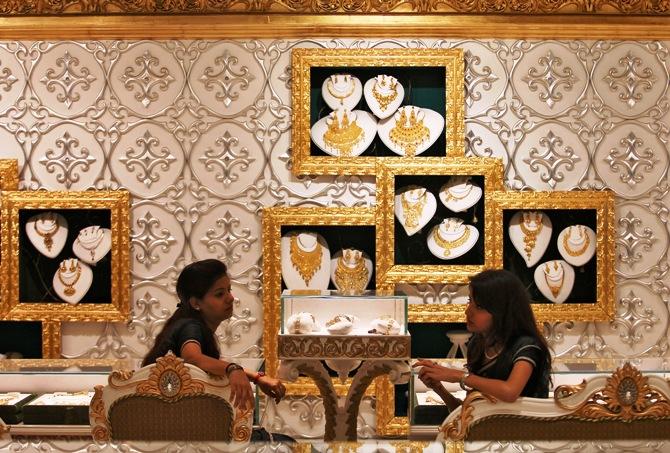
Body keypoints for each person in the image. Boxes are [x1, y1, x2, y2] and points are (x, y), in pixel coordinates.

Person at [143, 259, 286, 411]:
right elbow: (193, 358)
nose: (230, 298)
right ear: (195, 303)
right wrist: (233, 369)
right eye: (219, 294)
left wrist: (257, 377)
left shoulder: (189, 323)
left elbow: (207, 365)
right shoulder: (191, 326)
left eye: (229, 290)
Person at [413, 269, 551, 411]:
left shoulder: (527, 346)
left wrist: (458, 375)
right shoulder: (478, 345)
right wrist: (439, 388)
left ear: (502, 310)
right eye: (470, 301)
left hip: (525, 431)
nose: (468, 311)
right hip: (490, 431)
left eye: (479, 306)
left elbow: (510, 392)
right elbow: (469, 413)